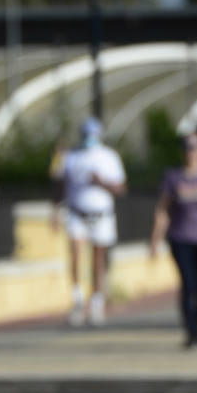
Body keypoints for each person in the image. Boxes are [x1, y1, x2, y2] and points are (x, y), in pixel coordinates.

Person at [150, 130, 197, 347]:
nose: (191, 151)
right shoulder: (173, 177)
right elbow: (162, 210)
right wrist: (155, 240)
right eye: (187, 147)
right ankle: (191, 331)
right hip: (180, 238)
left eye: (195, 147)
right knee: (188, 284)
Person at [52, 117, 127, 328]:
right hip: (77, 213)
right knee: (75, 255)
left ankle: (96, 302)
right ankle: (77, 301)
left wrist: (102, 182)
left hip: (101, 215)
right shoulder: (70, 156)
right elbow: (59, 185)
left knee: (97, 260)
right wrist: (55, 211)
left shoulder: (109, 156)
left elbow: (121, 188)